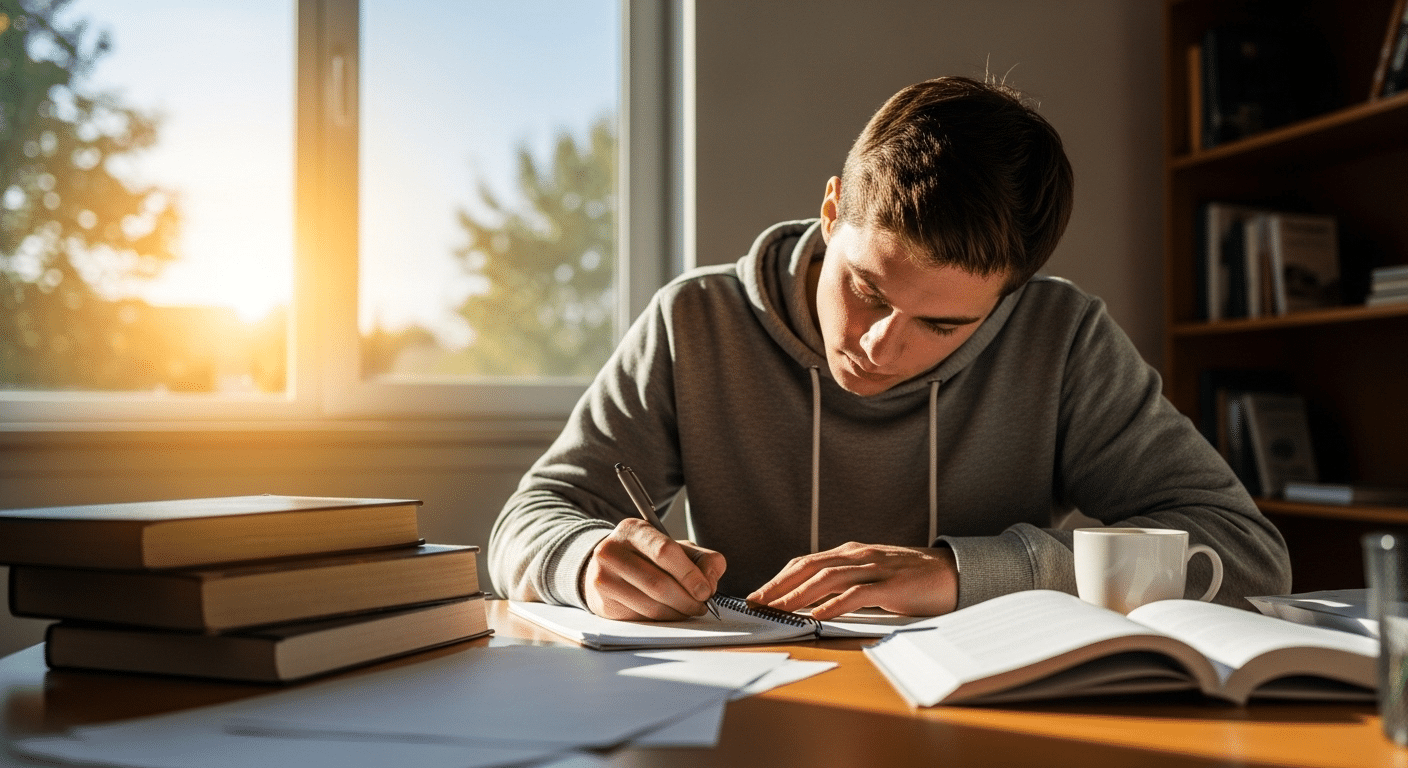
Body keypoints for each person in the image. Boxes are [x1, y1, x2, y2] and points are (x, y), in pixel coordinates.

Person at [487, 76, 1291, 622]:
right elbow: (525, 522)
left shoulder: (1064, 338)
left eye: (943, 326)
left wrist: (968, 573)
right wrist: (585, 558)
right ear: (831, 211)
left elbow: (1248, 553)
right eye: (868, 290)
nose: (880, 345)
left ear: (1007, 297)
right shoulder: (694, 322)